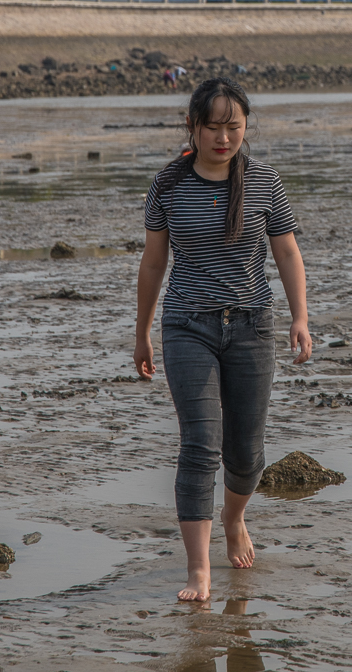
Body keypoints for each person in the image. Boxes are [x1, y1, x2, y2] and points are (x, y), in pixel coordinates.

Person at [134, 77, 312, 603]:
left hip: (253, 327)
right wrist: (141, 332)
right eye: (213, 126)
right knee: (199, 446)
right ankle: (198, 571)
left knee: (247, 453)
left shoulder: (264, 182)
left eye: (234, 126)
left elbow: (287, 254)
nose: (224, 137)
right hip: (187, 326)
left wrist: (300, 317)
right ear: (192, 126)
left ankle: (234, 518)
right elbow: (152, 263)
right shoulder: (167, 187)